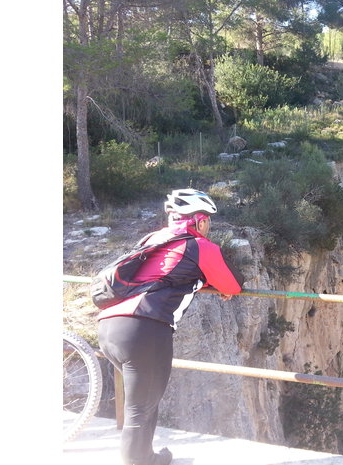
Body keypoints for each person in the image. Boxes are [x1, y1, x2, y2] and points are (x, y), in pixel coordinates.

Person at [97, 188, 244, 465]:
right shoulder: (201, 247)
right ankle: (138, 461)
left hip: (110, 329)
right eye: (208, 221)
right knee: (140, 408)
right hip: (145, 330)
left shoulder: (154, 239)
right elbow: (233, 285)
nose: (208, 226)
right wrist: (210, 282)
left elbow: (164, 274)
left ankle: (148, 457)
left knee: (144, 400)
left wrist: (200, 280)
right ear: (199, 221)